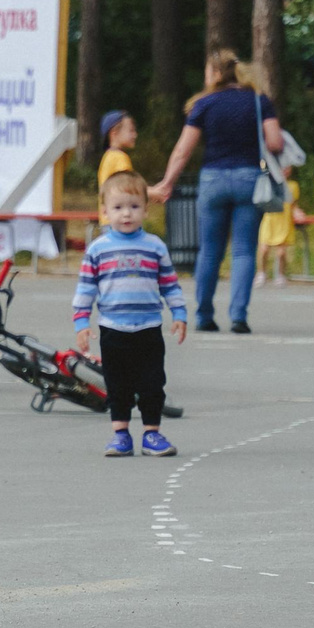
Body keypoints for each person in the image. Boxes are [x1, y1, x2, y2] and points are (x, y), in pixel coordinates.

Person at [148, 50, 285, 334]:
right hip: (249, 179)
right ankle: (238, 316)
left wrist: (167, 183)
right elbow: (274, 142)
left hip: (213, 180)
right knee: (244, 251)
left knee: (210, 251)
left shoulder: (204, 104)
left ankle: (204, 315)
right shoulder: (259, 101)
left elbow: (183, 150)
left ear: (215, 73)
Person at [73, 170, 188, 458]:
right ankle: (120, 434)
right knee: (117, 385)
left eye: (134, 207)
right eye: (118, 207)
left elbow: (169, 283)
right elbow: (86, 289)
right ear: (104, 211)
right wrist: (81, 322)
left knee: (152, 384)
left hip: (148, 328)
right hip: (113, 329)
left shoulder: (154, 246)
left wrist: (179, 313)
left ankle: (152, 433)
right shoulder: (98, 249)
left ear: (146, 209)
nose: (127, 214)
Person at [97, 110, 139, 187]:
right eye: (131, 130)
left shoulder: (108, 156)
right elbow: (130, 187)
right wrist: (153, 192)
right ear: (114, 133)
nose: (135, 135)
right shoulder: (119, 157)